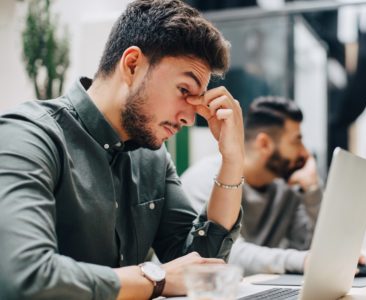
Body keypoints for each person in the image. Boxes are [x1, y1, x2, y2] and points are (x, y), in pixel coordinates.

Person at [0, 1, 245, 299]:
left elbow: (198, 266)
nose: (190, 118)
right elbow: (25, 277)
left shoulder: (152, 156)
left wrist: (232, 160)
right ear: (132, 65)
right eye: (184, 90)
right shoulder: (27, 136)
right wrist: (156, 277)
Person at [181, 96, 322, 275]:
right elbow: (225, 254)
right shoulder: (204, 179)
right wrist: (303, 260)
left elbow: (309, 247)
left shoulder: (287, 189)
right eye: (296, 140)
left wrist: (312, 191)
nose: (304, 152)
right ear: (264, 144)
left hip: (251, 289)